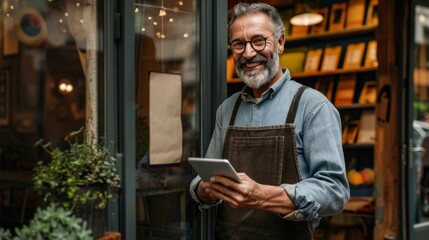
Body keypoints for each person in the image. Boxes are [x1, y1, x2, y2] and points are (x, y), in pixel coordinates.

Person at [189, 2, 349, 239]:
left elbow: (335, 191)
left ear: (281, 43)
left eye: (259, 41)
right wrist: (205, 189)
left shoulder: (313, 106)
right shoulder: (227, 109)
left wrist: (261, 195)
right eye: (238, 44)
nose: (249, 53)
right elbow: (206, 177)